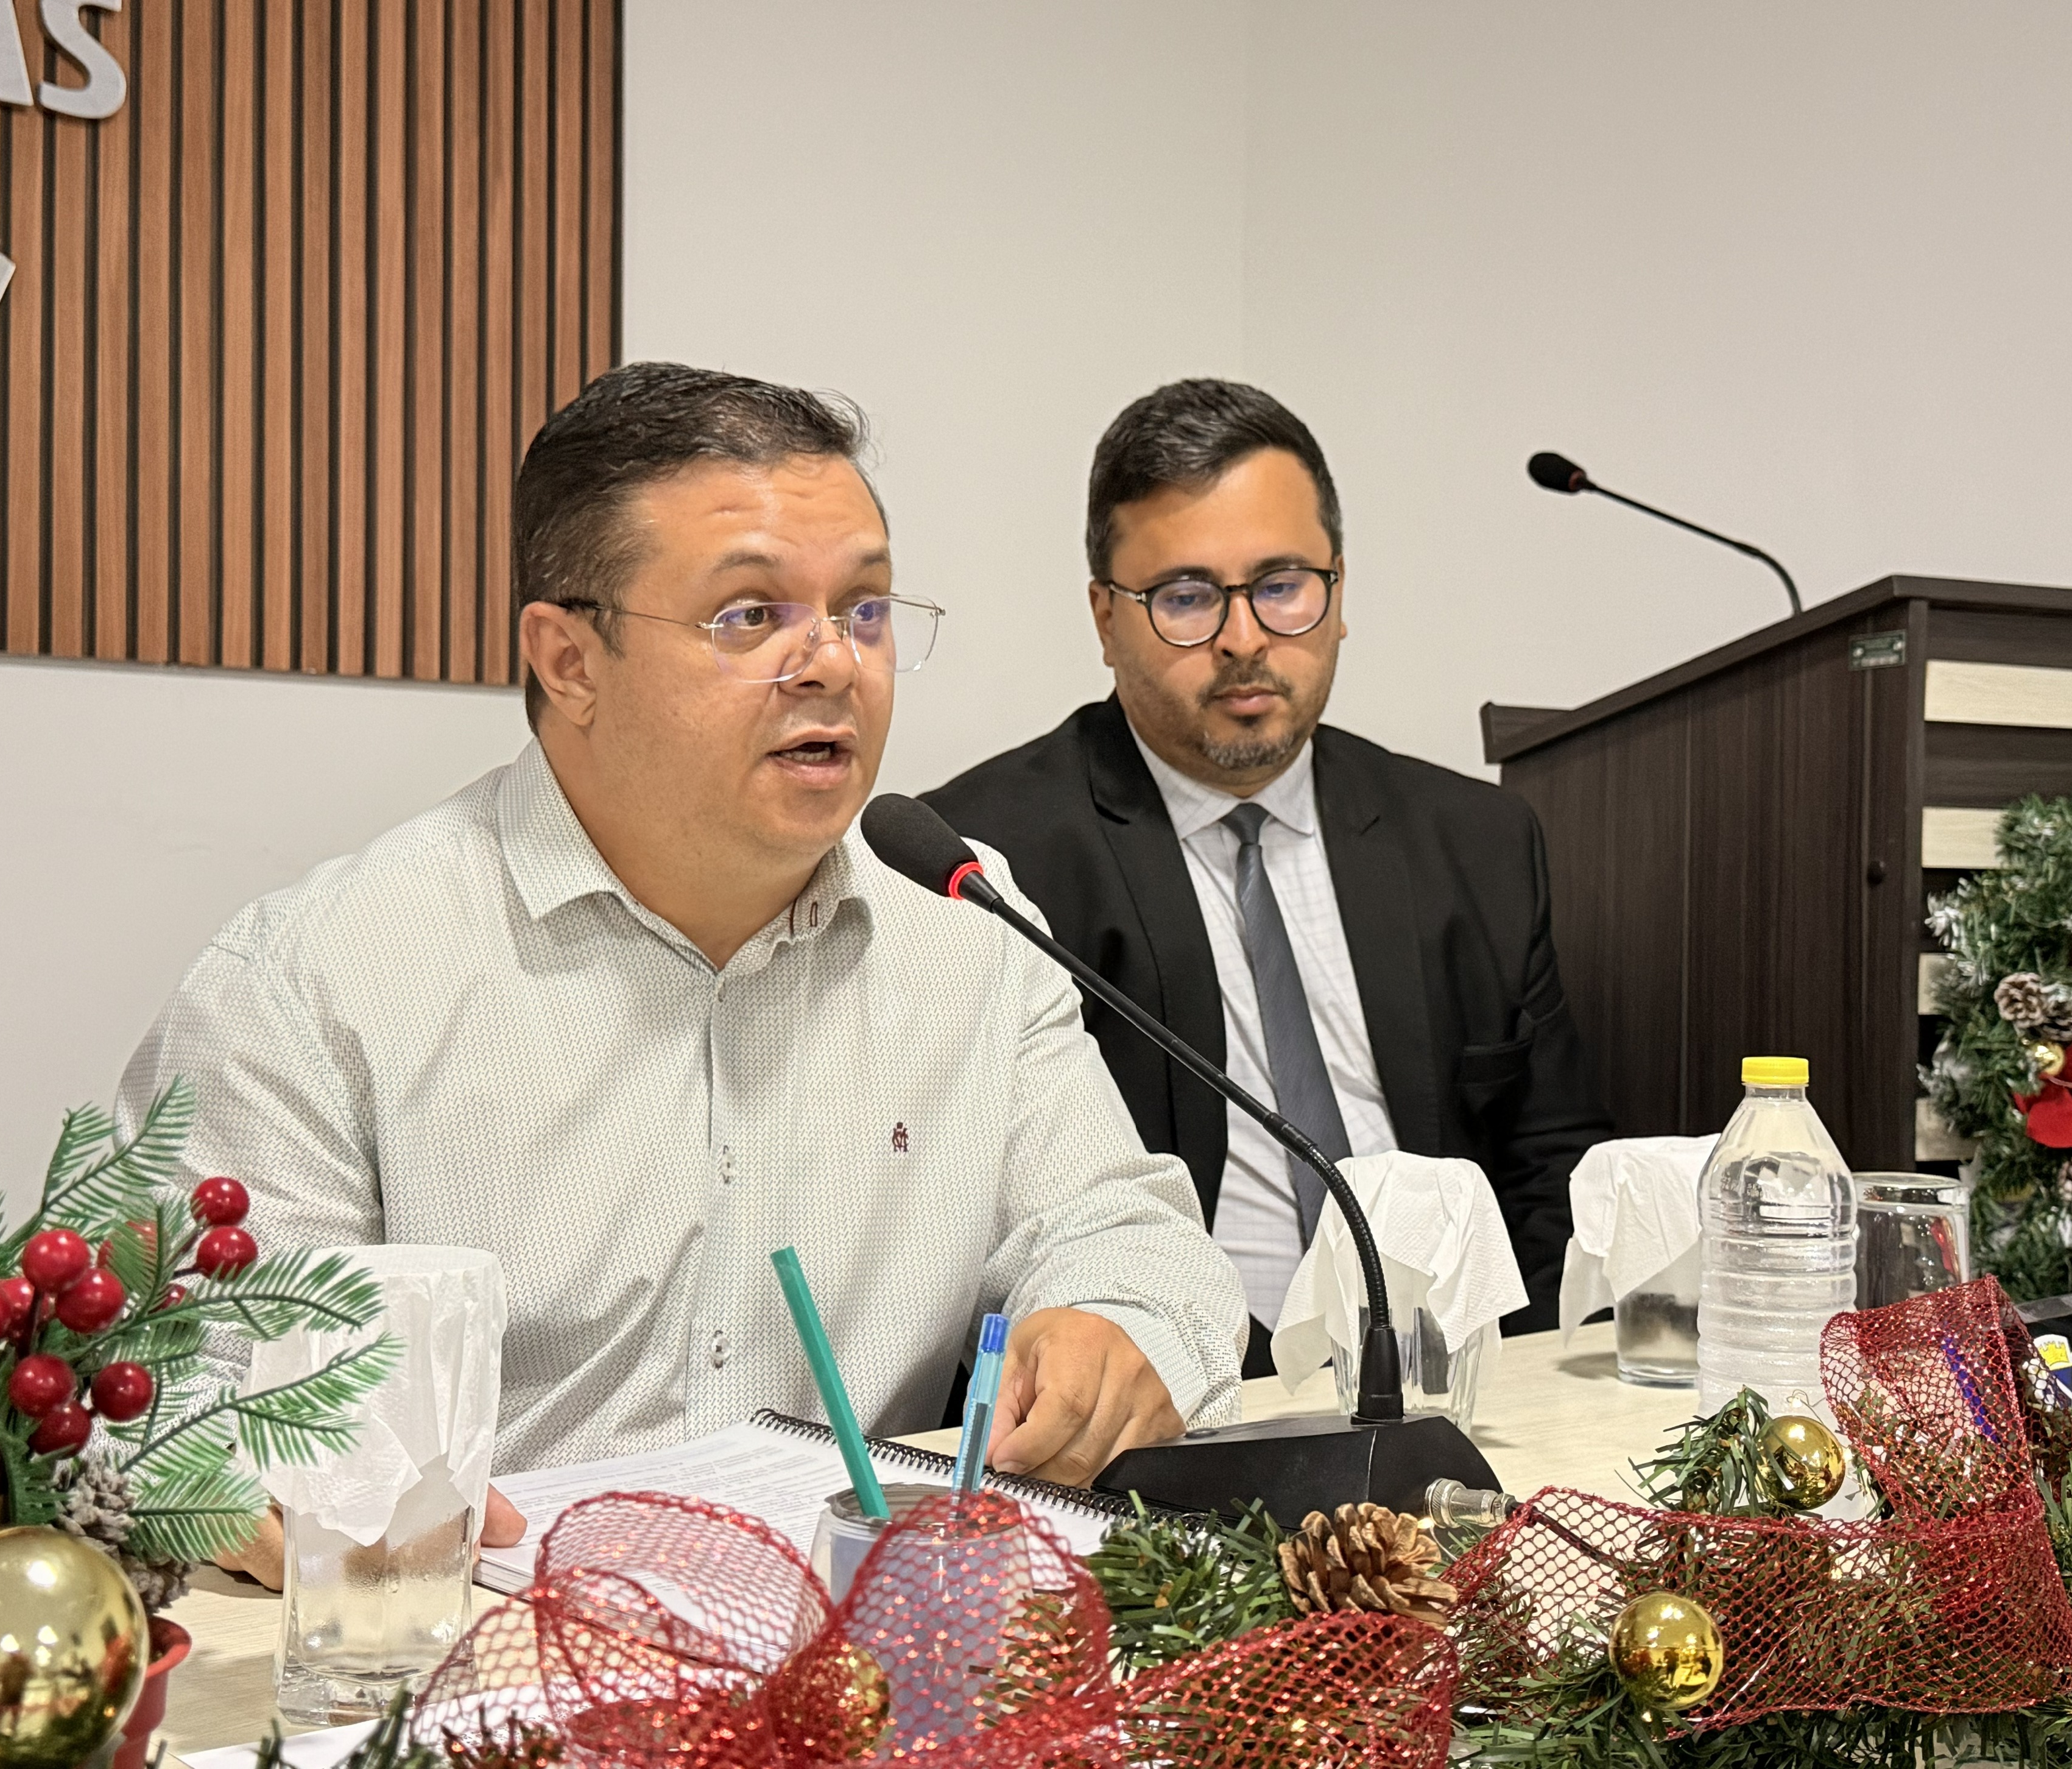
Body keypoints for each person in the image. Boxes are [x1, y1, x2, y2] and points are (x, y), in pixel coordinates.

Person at [119, 362, 1245, 1584]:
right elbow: (163, 1397)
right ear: (569, 661)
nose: (833, 664)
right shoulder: (318, 983)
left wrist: (1112, 1328)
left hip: (868, 1639)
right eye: (749, 616)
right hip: (475, 1648)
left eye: (865, 610)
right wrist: (244, 1479)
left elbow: (1131, 1233)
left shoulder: (965, 928)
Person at [925, 378, 1609, 1371]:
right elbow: (974, 1233)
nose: (1244, 640)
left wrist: (1534, 1393)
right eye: (1186, 598)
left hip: (1460, 1386)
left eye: (1282, 586)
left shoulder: (1476, 839)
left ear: (1339, 592)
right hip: (1180, 1398)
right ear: (1106, 619)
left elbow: (1556, 1174)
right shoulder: (988, 861)